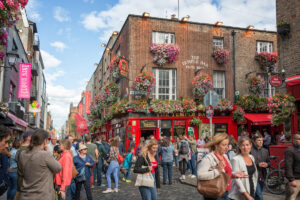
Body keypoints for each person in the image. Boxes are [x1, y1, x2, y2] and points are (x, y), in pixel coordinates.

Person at [198, 133, 247, 200]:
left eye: (227, 144)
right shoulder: (209, 158)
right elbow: (200, 175)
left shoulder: (225, 156)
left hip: (225, 192)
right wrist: (217, 170)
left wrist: (233, 175)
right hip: (214, 194)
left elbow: (224, 174)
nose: (227, 147)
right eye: (224, 145)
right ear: (216, 145)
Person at [18, 129, 62, 200]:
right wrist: (48, 152)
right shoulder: (45, 154)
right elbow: (58, 168)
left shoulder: (23, 154)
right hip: (42, 195)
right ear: (44, 141)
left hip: (25, 194)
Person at [251, 133, 270, 200]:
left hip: (262, 176)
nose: (261, 142)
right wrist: (257, 164)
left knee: (257, 196)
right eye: (259, 140)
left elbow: (269, 162)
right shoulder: (250, 150)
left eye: (262, 140)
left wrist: (267, 165)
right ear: (254, 141)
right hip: (253, 176)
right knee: (260, 196)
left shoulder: (265, 151)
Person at [285, 132, 300, 200]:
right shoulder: (290, 150)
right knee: (291, 198)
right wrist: (291, 179)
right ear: (294, 140)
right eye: (299, 139)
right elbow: (288, 166)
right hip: (295, 179)